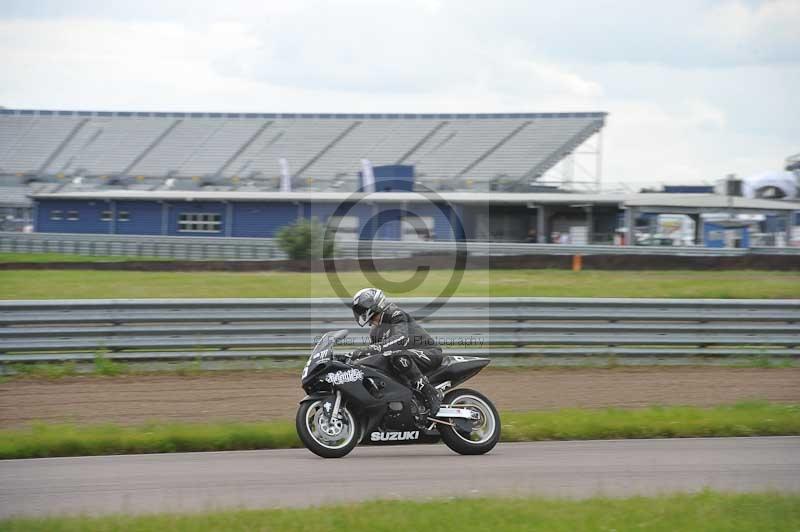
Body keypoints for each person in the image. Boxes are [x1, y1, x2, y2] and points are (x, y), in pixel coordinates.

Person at [350, 287, 442, 414]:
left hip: (429, 353)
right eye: (358, 311)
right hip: (407, 360)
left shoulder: (395, 314)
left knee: (397, 356)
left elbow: (400, 339)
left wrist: (369, 349)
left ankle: (430, 393)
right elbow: (375, 358)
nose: (360, 313)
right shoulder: (374, 331)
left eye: (361, 309)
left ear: (372, 305)